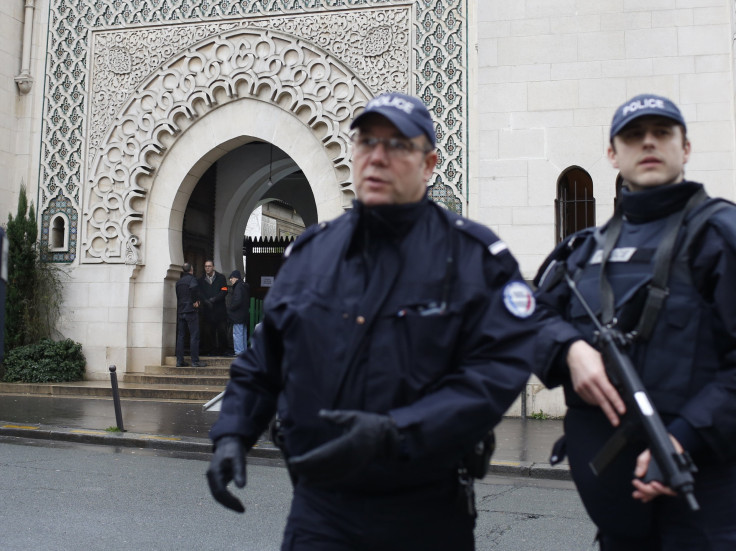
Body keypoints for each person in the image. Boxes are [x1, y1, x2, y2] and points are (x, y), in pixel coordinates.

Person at [206, 91, 538, 550]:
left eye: (398, 144)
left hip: (423, 512)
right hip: (320, 511)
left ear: (429, 163)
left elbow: (497, 369)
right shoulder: (310, 254)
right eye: (366, 142)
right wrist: (232, 433)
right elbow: (263, 365)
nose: (378, 157)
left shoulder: (470, 258)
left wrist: (397, 431)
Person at [533, 94, 736, 549]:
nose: (648, 143)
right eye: (633, 135)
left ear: (685, 148)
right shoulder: (583, 249)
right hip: (617, 511)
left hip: (706, 505)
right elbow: (526, 317)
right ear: (611, 153)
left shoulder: (720, 235)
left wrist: (685, 439)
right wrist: (570, 348)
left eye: (662, 133)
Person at [175, 262, 206, 368]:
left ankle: (179, 361)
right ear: (191, 270)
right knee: (194, 336)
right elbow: (193, 289)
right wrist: (195, 301)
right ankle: (195, 361)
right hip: (190, 311)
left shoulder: (178, 282)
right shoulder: (192, 279)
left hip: (181, 311)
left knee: (181, 336)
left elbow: (178, 296)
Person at [199, 260, 229, 355]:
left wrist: (215, 299)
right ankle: (210, 350)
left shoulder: (221, 278)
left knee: (222, 331)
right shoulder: (201, 279)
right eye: (206, 266)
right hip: (208, 311)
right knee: (208, 332)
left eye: (209, 266)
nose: (207, 268)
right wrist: (206, 301)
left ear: (213, 267)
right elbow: (199, 292)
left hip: (219, 311)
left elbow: (224, 290)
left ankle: (222, 350)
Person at [226, 270, 250, 356]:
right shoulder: (244, 286)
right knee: (243, 333)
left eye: (231, 278)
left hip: (237, 315)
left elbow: (237, 300)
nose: (230, 280)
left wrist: (230, 308)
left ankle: (239, 351)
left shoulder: (238, 287)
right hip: (243, 314)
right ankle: (243, 351)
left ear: (235, 278)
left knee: (237, 333)